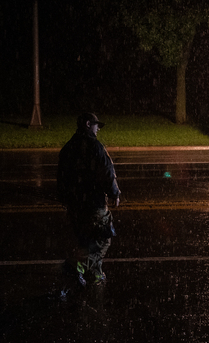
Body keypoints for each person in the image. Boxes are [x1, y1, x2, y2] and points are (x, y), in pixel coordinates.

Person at [57, 112, 120, 287]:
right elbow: (107, 172)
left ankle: (96, 275)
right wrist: (114, 193)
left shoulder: (68, 148)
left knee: (87, 239)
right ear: (87, 124)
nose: (97, 128)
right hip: (93, 203)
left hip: (75, 205)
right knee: (103, 238)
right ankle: (76, 268)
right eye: (95, 125)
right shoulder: (95, 147)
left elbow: (61, 177)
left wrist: (65, 198)